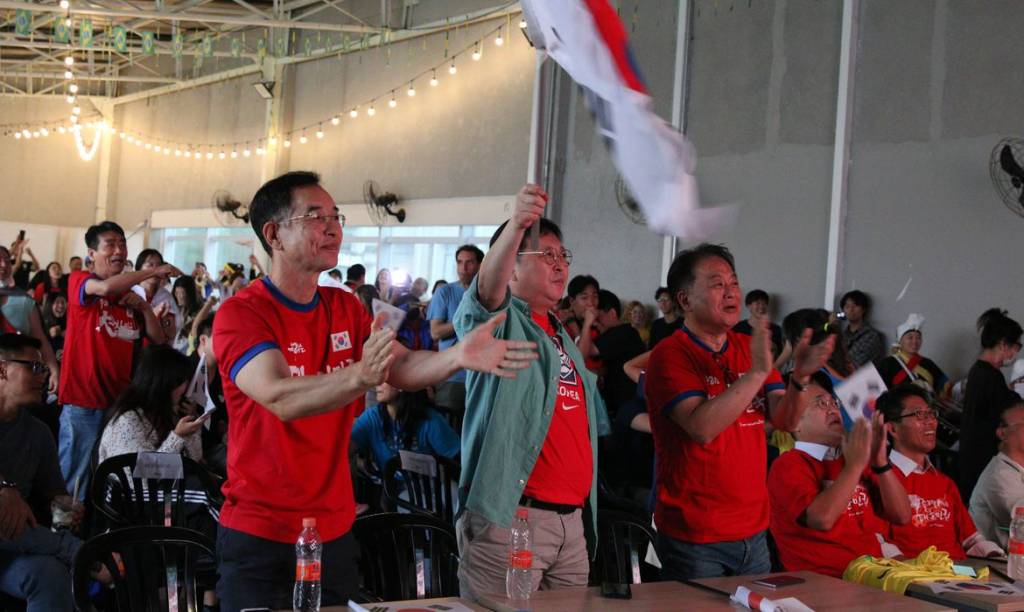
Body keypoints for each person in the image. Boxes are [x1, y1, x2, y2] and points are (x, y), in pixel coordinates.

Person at [211, 171, 535, 611]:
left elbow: (399, 365)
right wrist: (360, 376)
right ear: (274, 235)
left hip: (333, 530)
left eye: (336, 216)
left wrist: (457, 356)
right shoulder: (242, 313)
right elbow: (279, 396)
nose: (333, 228)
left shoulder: (344, 306)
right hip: (261, 533)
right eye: (316, 216)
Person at [454, 184, 610, 601]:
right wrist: (518, 224)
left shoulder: (560, 335)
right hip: (513, 518)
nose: (560, 264)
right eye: (546, 255)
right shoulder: (501, 322)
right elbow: (486, 292)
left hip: (571, 524)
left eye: (563, 256)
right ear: (512, 269)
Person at [644, 243, 834, 580]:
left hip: (754, 530)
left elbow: (786, 421)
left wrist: (800, 378)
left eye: (734, 282)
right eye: (717, 284)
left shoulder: (749, 348)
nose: (731, 292)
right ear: (685, 300)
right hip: (696, 535)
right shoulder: (670, 354)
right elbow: (702, 427)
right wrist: (757, 373)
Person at [59, 221, 180, 501]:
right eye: (110, 244)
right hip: (83, 402)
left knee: (109, 479)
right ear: (91, 253)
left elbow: (157, 338)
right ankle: (65, 527)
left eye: (122, 244)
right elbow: (103, 288)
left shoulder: (130, 297)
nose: (118, 250)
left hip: (119, 405)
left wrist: (144, 307)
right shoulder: (80, 280)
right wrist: (152, 271)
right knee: (75, 483)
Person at [768, 373, 910, 577]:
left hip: (875, 574)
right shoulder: (789, 465)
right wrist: (854, 467)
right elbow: (821, 519)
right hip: (826, 583)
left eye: (834, 402)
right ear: (794, 423)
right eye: (821, 403)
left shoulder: (854, 457)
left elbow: (902, 515)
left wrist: (880, 462)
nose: (833, 409)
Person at [0, 333, 86, 611]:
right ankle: (80, 554)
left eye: (44, 368)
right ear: (2, 370)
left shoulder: (38, 433)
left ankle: (77, 554)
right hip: (12, 533)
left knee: (49, 575)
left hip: (13, 543)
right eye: (35, 367)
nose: (44, 376)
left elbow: (54, 496)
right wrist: (5, 489)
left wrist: (66, 508)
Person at [879, 385, 1003, 559]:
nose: (931, 422)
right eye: (919, 415)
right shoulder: (879, 479)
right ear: (892, 429)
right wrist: (906, 569)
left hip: (959, 571)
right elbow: (877, 540)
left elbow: (972, 539)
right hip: (910, 572)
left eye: (931, 414)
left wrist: (997, 558)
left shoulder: (945, 483)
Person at [97, 344, 205, 464]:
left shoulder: (168, 413)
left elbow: (195, 459)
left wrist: (192, 426)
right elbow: (143, 472)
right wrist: (177, 437)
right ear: (165, 384)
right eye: (182, 382)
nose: (186, 388)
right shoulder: (128, 421)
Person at [959, 308, 1023, 500]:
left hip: (973, 462)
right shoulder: (990, 376)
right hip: (982, 464)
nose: (1016, 352)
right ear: (1003, 344)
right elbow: (1009, 413)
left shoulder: (980, 371)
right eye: (1016, 346)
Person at [427, 245, 484, 420]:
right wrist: (464, 321)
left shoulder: (489, 293)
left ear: (480, 265)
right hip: (452, 375)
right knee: (449, 428)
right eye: (460, 262)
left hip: (482, 374)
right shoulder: (445, 292)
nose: (463, 268)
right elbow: (435, 332)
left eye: (469, 262)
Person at [351, 383, 460, 470]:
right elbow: (348, 449)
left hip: (427, 488)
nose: (377, 384)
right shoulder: (371, 417)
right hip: (387, 486)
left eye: (385, 380)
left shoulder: (430, 419)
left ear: (402, 384)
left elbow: (457, 460)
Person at [0, 247, 60, 395]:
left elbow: (40, 338)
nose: (3, 264)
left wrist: (53, 369)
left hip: (15, 378)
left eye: (7, 260)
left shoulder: (24, 300)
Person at [578, 289, 647, 418]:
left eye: (597, 317)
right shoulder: (624, 333)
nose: (595, 322)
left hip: (629, 409)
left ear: (612, 313)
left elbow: (582, 353)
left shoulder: (622, 333)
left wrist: (586, 323)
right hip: (626, 406)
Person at [970, 400, 1024, 548]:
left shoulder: (1015, 469)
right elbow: (1021, 524)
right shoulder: (998, 476)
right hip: (998, 559)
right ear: (1002, 433)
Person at [875, 314, 949, 397]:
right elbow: (878, 392)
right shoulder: (887, 364)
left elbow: (944, 386)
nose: (915, 341)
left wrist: (957, 387)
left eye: (918, 338)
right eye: (910, 338)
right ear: (900, 341)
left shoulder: (928, 363)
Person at [133, 249, 180, 341]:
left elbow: (171, 334)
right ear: (139, 269)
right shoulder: (132, 292)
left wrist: (164, 320)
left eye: (159, 265)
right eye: (150, 265)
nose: (156, 270)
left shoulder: (165, 296)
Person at [733, 289, 787, 368]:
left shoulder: (776, 330)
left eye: (764, 303)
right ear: (748, 306)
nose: (761, 306)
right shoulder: (737, 328)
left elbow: (781, 354)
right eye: (757, 303)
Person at [839, 290, 886, 368]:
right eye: (847, 306)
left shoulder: (872, 336)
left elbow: (855, 364)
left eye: (855, 305)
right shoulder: (842, 335)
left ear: (864, 309)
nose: (851, 310)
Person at [172, 276, 202, 354]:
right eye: (176, 292)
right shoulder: (176, 309)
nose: (179, 296)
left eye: (182, 292)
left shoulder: (198, 313)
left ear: (190, 293)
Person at [40, 293, 67, 361]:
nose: (61, 305)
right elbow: (53, 332)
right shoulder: (42, 322)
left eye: (63, 302)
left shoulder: (68, 321)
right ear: (50, 305)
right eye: (57, 302)